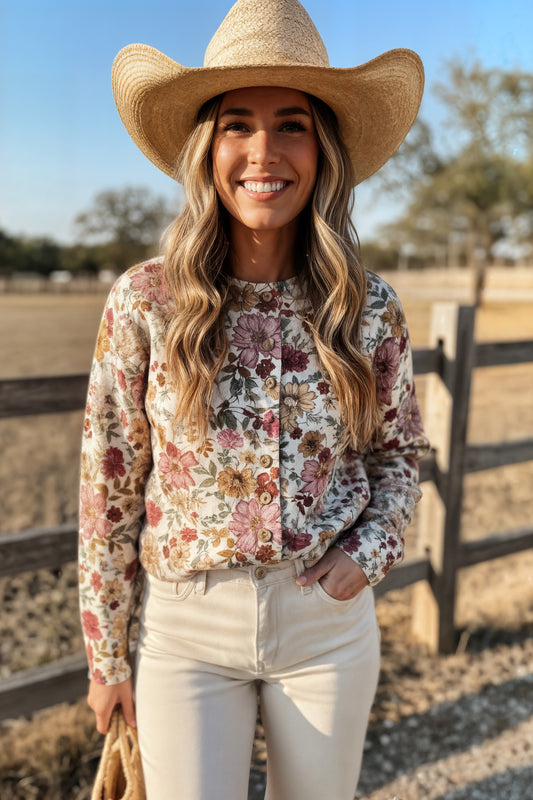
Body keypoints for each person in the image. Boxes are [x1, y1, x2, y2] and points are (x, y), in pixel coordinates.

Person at [79, 1, 429, 798]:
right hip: (184, 631)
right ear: (206, 149)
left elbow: (399, 456)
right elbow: (109, 485)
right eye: (237, 124)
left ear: (324, 150)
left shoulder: (367, 307)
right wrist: (106, 656)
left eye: (291, 125)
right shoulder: (145, 302)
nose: (262, 152)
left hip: (326, 628)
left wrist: (361, 560)